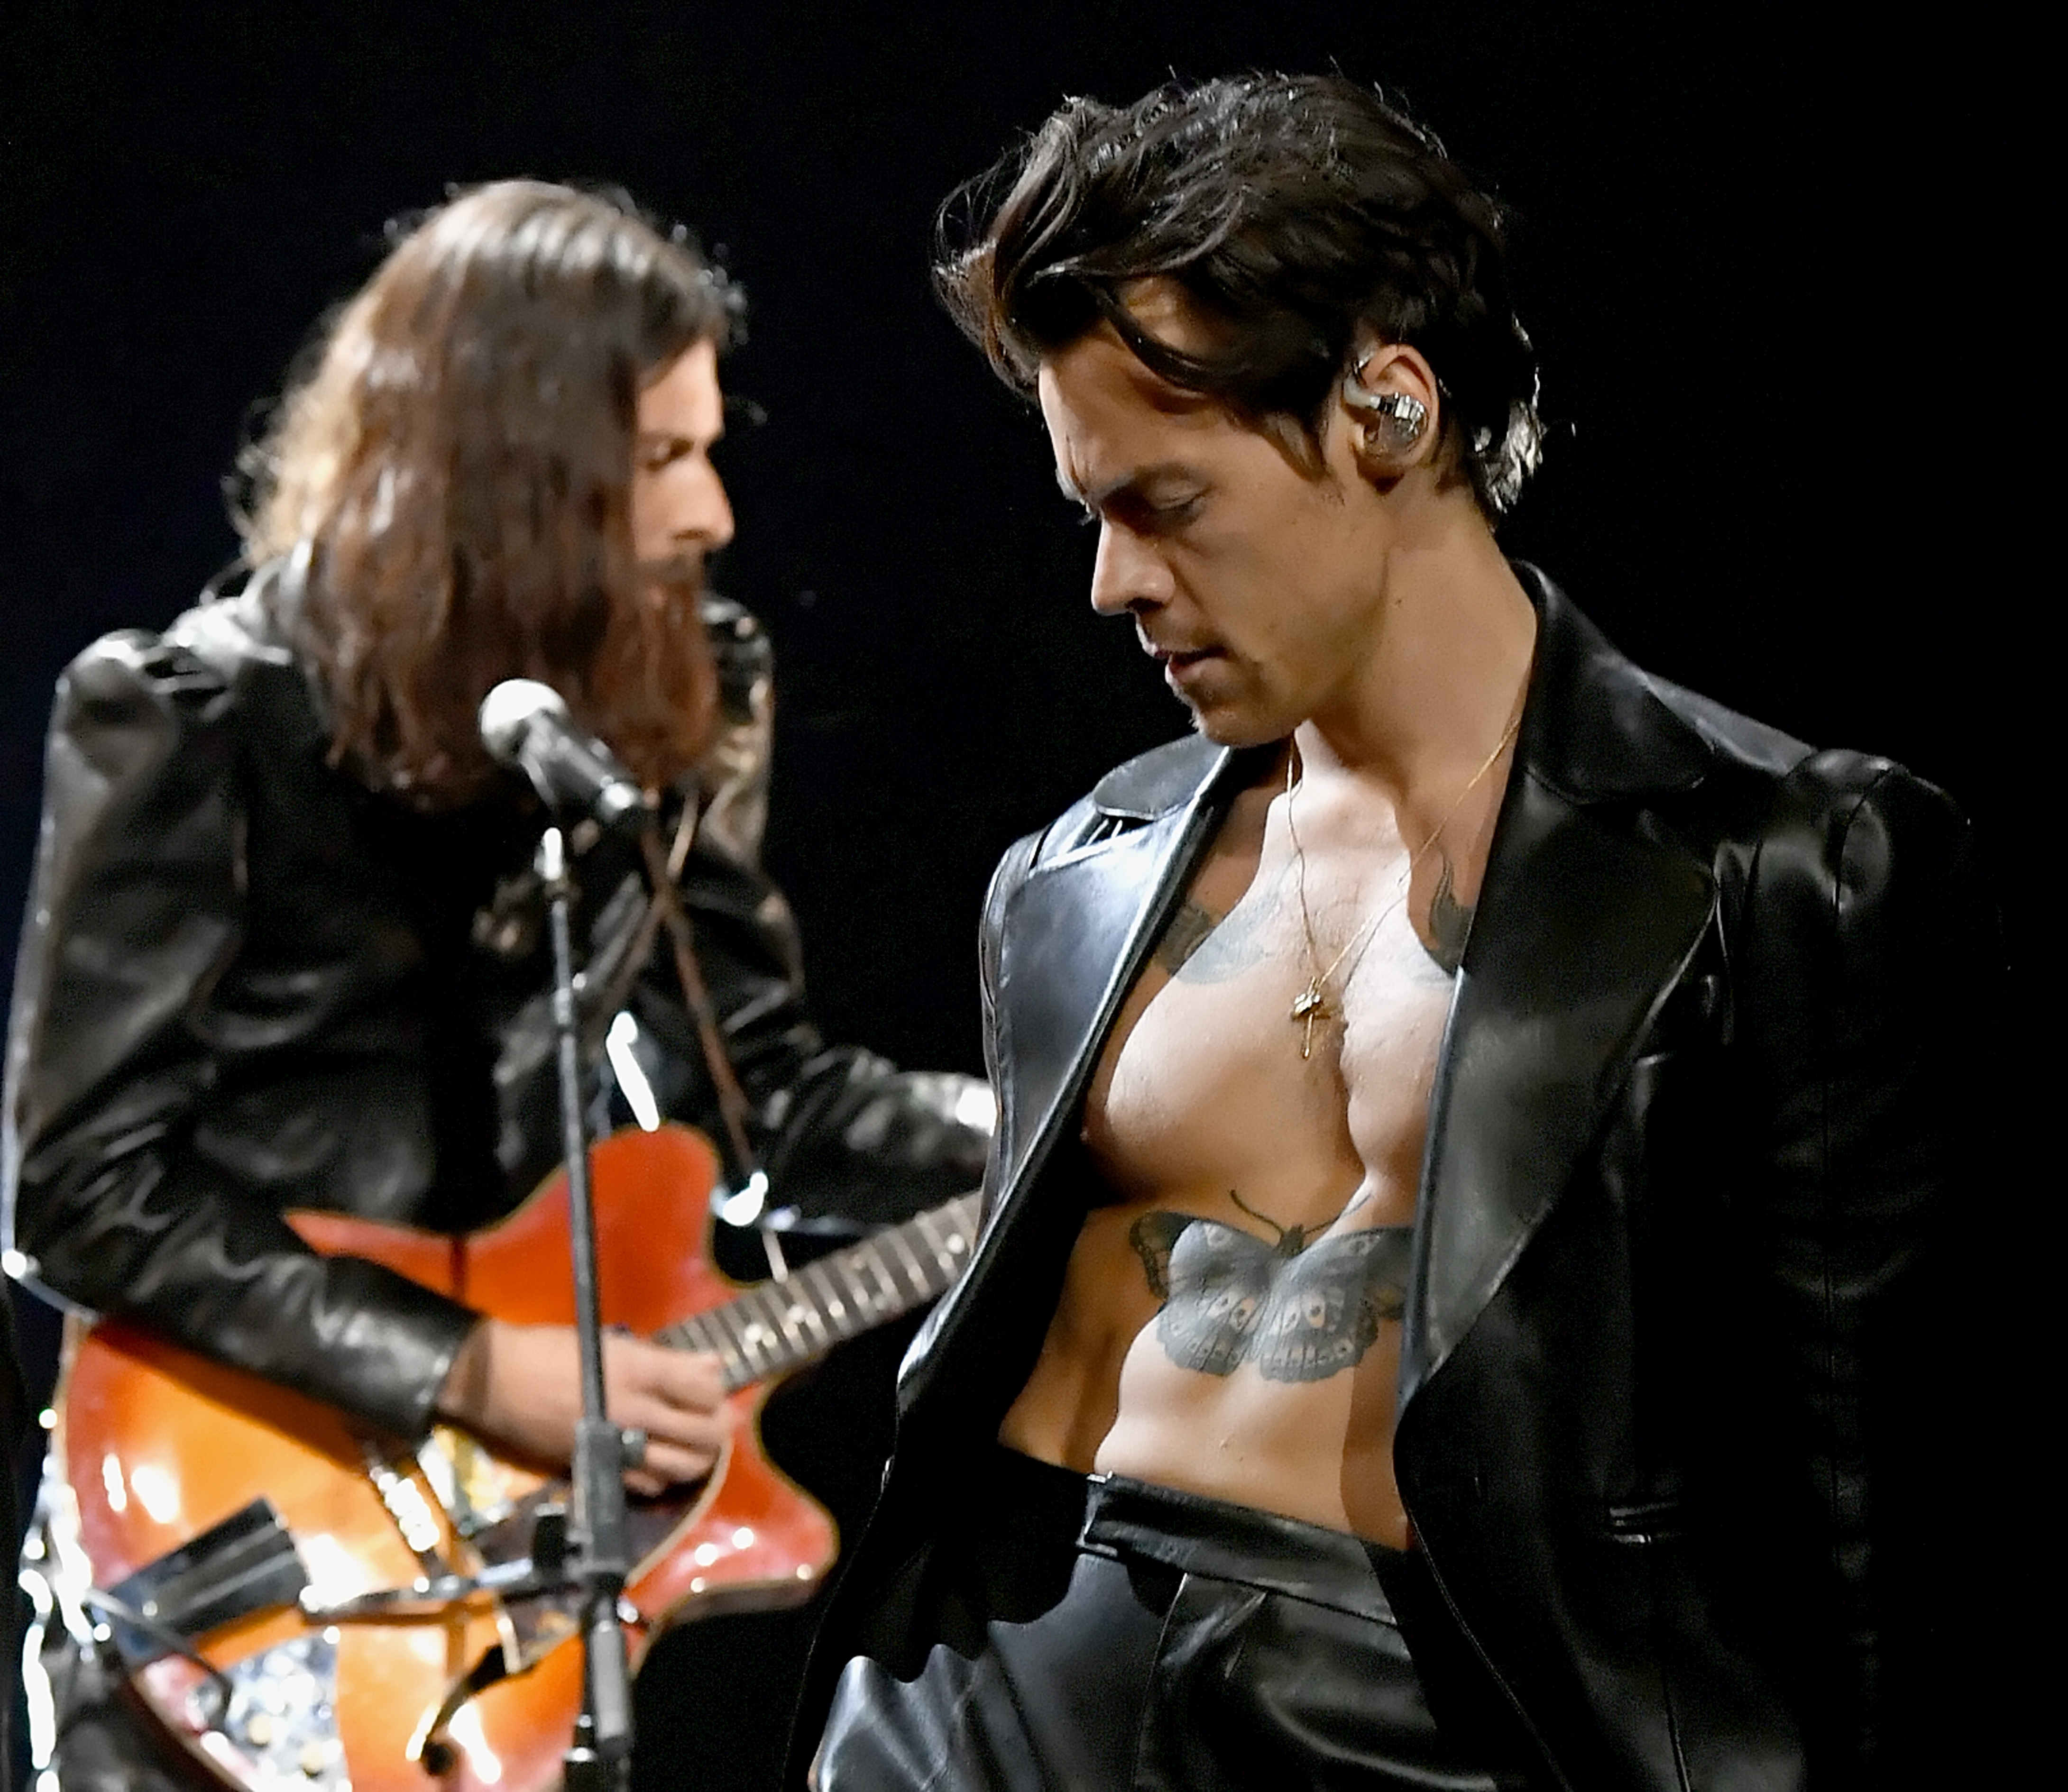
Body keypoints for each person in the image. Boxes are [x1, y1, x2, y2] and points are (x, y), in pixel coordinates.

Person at [791, 75, 1999, 1792]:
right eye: (1090, 512)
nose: (1112, 582)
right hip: (985, 1690)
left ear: (1388, 410)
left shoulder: (1782, 867)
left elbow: (1880, 1536)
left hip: (1404, 1715)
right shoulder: (1073, 872)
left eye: (1165, 504)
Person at [2, 181, 990, 1792]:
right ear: (517, 471)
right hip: (223, 1546)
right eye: (660, 459)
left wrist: (1067, 1117)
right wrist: (471, 1366)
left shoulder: (679, 696)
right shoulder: (189, 712)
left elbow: (764, 1104)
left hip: (513, 1588)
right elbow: (75, 1192)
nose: (713, 512)